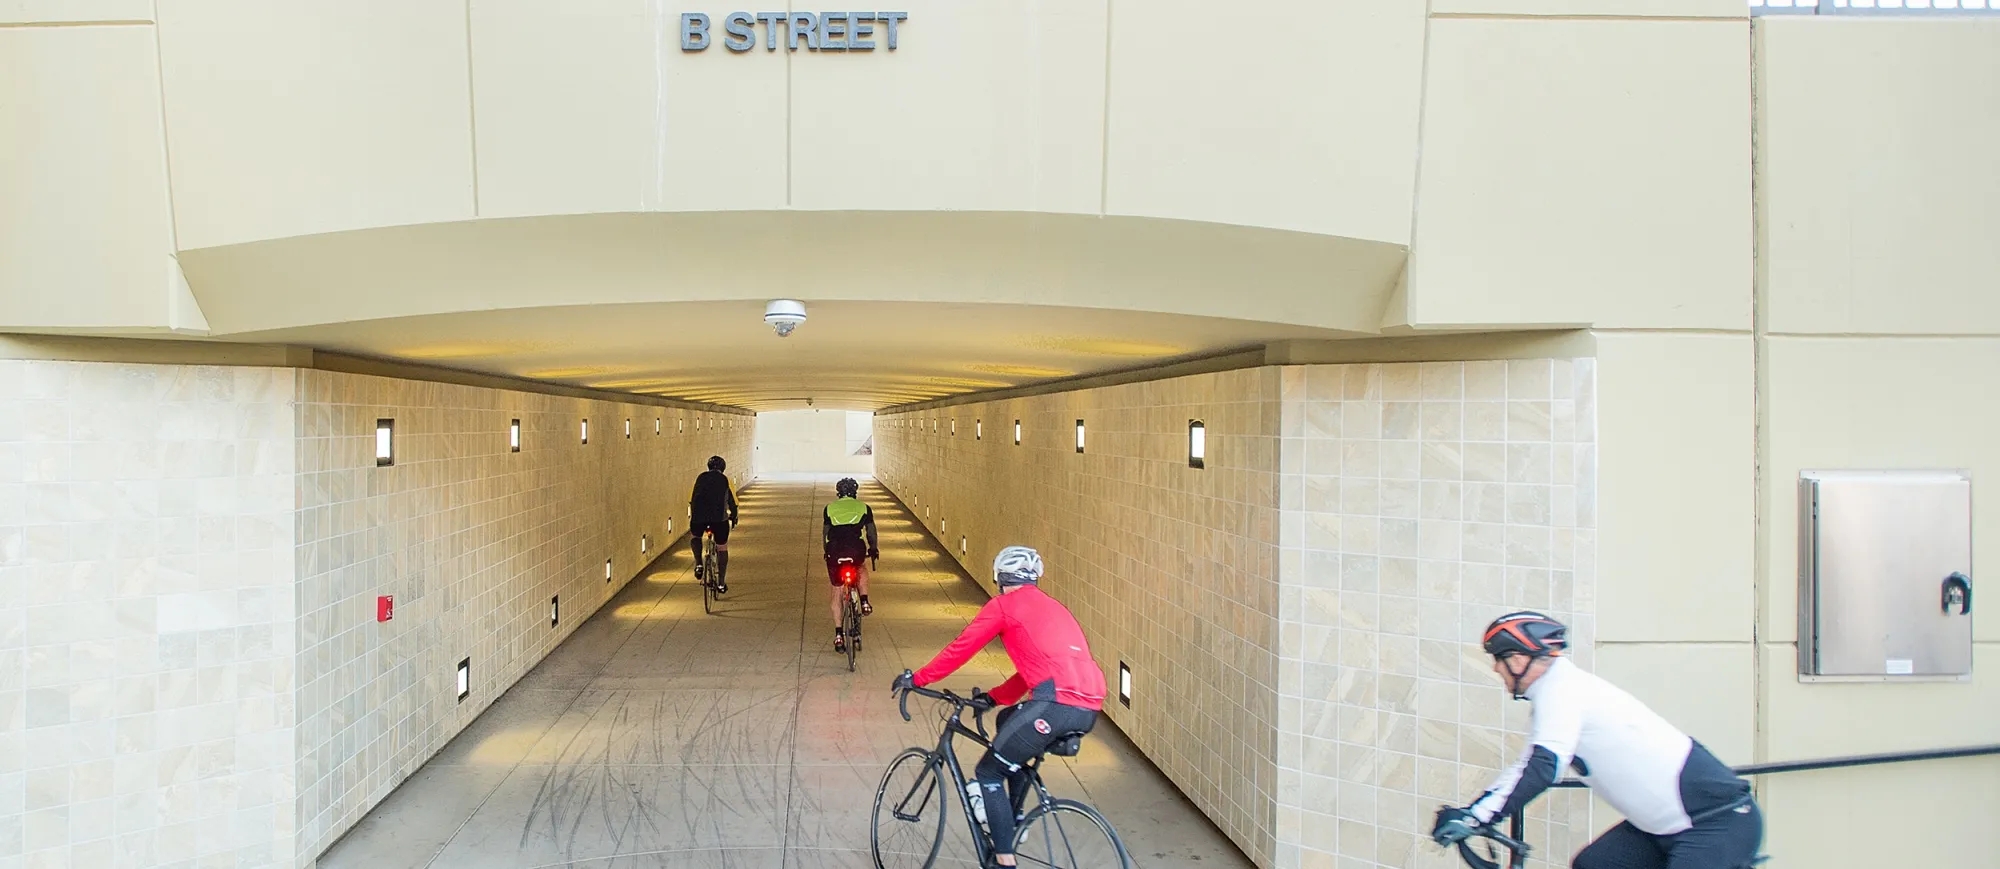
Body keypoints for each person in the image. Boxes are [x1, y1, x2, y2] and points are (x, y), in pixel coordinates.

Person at [1431, 611, 1764, 869]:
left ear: (1517, 660)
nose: (1495, 670)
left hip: (1715, 824)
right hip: (1659, 830)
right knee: (1594, 864)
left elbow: (1543, 768)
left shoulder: (1563, 692)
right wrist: (1474, 812)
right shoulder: (1556, 694)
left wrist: (1478, 817)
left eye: (1497, 660)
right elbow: (1527, 765)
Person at [892, 546, 1107, 869]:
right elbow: (1034, 670)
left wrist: (919, 679)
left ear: (999, 578)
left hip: (1054, 705)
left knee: (988, 772)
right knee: (1009, 721)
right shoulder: (1054, 607)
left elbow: (961, 648)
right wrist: (994, 698)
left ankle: (1004, 861)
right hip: (1088, 706)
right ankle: (1014, 818)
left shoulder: (1004, 606)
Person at [823, 477, 879, 651]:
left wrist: (828, 553)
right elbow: (871, 532)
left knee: (836, 591)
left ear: (838, 493)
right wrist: (873, 549)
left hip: (835, 551)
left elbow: (825, 534)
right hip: (855, 549)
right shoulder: (864, 507)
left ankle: (839, 634)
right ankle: (864, 601)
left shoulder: (829, 509)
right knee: (861, 568)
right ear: (855, 492)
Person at [687, 455, 738, 594]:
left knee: (695, 537)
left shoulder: (700, 478)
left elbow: (691, 499)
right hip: (719, 520)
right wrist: (734, 516)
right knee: (722, 547)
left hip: (699, 518)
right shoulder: (725, 480)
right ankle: (721, 583)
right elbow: (733, 502)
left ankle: (698, 563)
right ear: (723, 468)